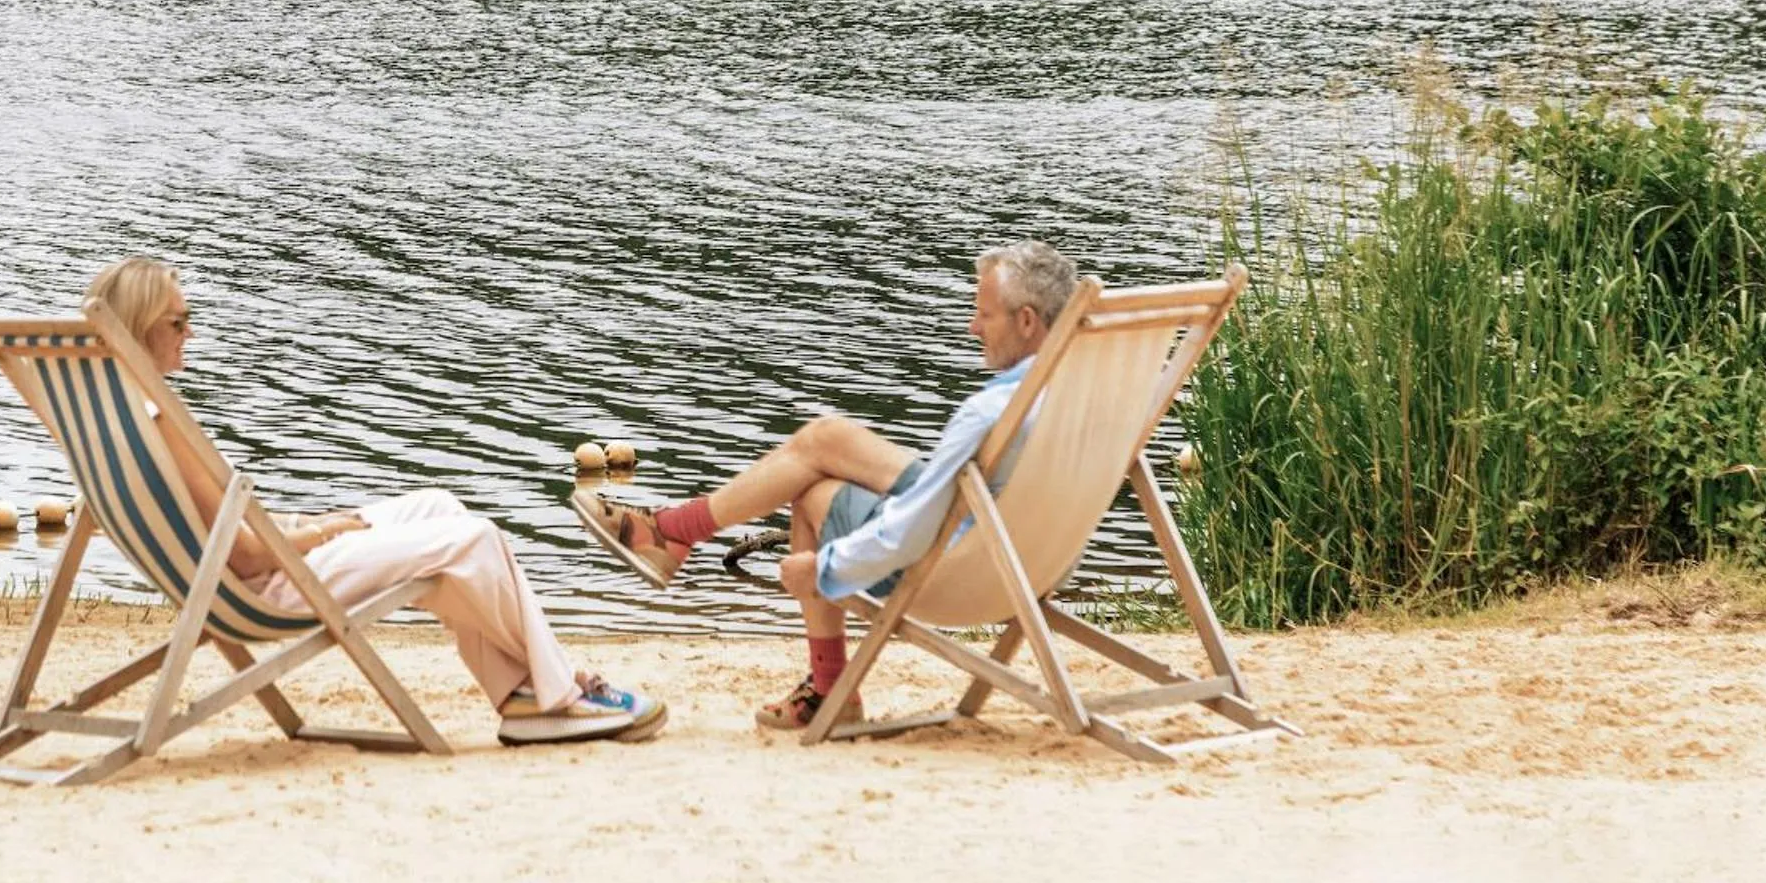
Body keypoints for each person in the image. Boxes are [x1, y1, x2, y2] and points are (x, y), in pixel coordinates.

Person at [90, 256, 665, 746]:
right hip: (266, 585)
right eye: (177, 321)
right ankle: (558, 694)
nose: (189, 332)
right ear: (140, 328)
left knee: (438, 507)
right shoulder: (160, 422)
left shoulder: (119, 414)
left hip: (249, 571)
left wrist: (313, 524)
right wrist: (323, 533)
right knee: (475, 539)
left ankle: (522, 694)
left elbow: (220, 528)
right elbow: (243, 556)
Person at [574, 240, 1078, 730]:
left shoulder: (989, 412)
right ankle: (672, 531)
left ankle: (825, 682)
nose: (973, 327)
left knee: (813, 493)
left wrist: (825, 566)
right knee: (826, 438)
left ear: (1026, 321)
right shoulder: (1088, 394)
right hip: (1034, 558)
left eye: (984, 315)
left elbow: (914, 532)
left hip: (966, 571)